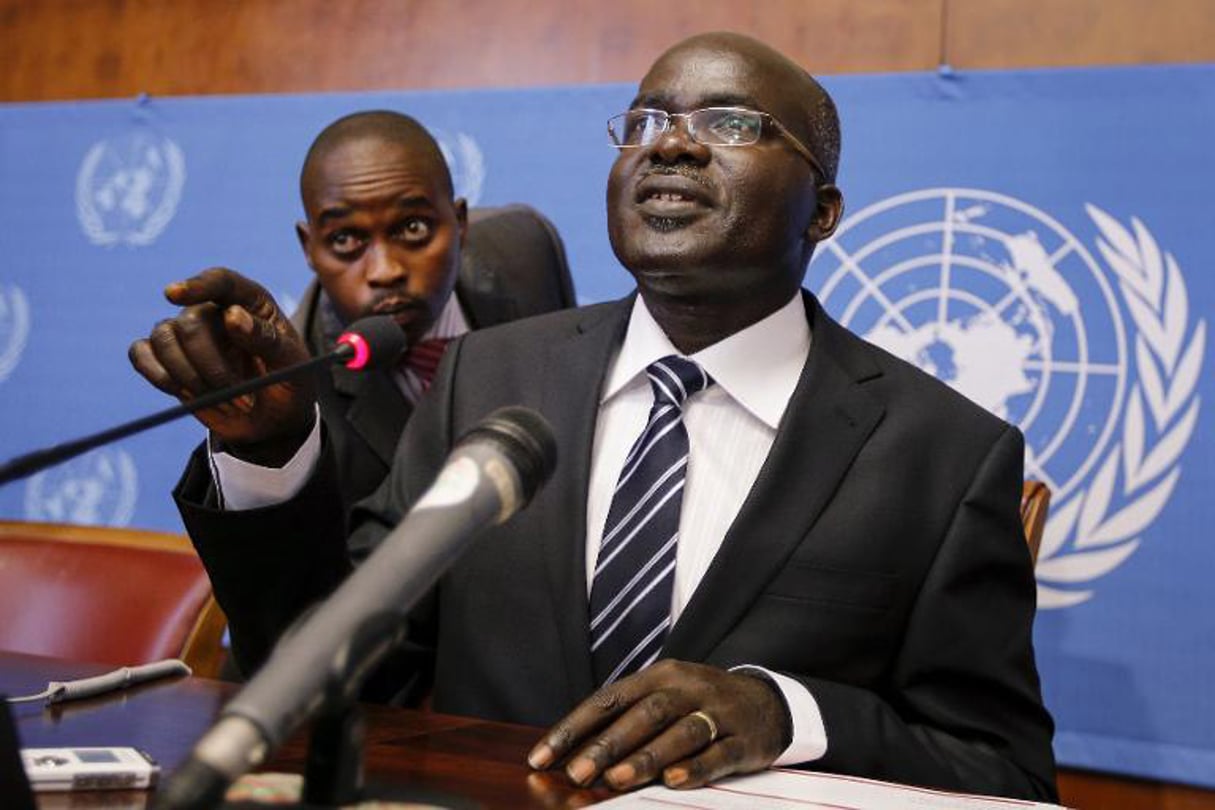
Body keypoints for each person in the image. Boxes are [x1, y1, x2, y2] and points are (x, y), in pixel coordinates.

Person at [131, 33, 1057, 802]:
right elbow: (339, 672)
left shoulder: (945, 454)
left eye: (729, 124)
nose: (672, 145)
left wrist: (785, 714)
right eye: (647, 121)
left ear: (821, 213)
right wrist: (275, 448)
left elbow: (1002, 769)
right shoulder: (486, 379)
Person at [131, 111, 575, 516]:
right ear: (310, 249)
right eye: (345, 240)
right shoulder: (293, 391)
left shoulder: (526, 250)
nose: (385, 271)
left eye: (413, 228)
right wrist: (266, 448)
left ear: (459, 224)